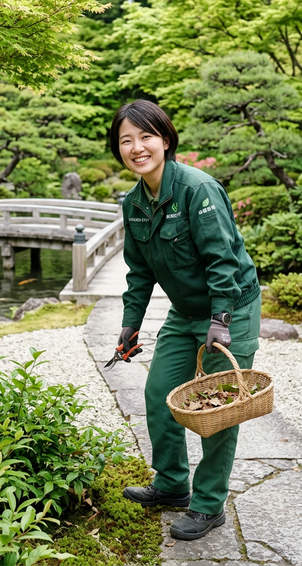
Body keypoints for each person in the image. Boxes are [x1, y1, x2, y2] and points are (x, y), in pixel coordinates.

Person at [110, 99, 261, 541]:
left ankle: (209, 505)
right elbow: (139, 272)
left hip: (231, 307)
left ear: (165, 139)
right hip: (185, 312)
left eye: (146, 137)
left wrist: (221, 318)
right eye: (126, 140)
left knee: (218, 410)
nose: (137, 147)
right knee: (159, 394)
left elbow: (222, 261)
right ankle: (173, 484)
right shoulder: (134, 203)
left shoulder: (198, 189)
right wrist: (129, 324)